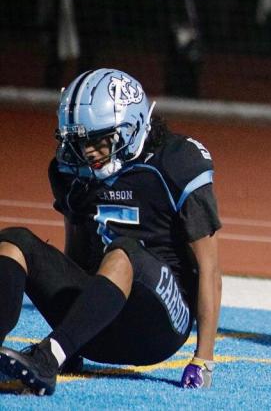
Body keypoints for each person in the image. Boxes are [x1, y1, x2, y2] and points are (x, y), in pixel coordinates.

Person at [0, 68, 222, 395]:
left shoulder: (177, 162)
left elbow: (209, 269)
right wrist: (74, 324)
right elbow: (77, 252)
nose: (86, 152)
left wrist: (203, 358)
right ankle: (57, 346)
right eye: (77, 141)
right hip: (100, 320)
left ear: (129, 127)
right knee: (13, 240)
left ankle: (49, 357)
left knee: (123, 250)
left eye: (95, 139)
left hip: (159, 327)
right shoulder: (71, 172)